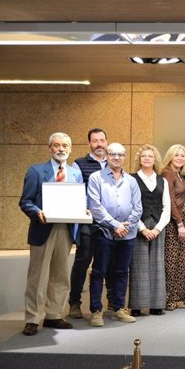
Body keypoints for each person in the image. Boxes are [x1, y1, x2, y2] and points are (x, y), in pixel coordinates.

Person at [19, 132, 83, 336]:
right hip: (43, 228)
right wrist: (37, 212)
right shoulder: (36, 171)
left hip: (66, 229)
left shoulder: (75, 173)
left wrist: (84, 210)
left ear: (70, 149)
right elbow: (25, 201)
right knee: (38, 276)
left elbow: (79, 200)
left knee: (61, 275)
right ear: (50, 148)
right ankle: (32, 318)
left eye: (65, 145)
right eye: (56, 145)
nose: (61, 149)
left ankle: (54, 315)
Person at [87, 142, 142, 327]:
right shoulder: (96, 178)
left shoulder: (132, 181)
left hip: (127, 234)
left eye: (120, 154)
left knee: (121, 271)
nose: (116, 157)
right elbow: (95, 206)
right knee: (99, 272)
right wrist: (115, 225)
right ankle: (96, 311)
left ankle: (119, 307)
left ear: (125, 156)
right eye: (112, 154)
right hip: (104, 232)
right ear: (107, 155)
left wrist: (125, 226)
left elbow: (138, 207)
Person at [68, 127, 107, 319]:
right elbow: (74, 191)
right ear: (89, 143)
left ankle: (107, 306)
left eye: (102, 140)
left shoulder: (113, 164)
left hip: (108, 224)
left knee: (106, 264)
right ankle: (74, 303)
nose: (99, 144)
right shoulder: (79, 164)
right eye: (95, 141)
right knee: (82, 262)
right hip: (88, 223)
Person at [128, 144, 170, 317]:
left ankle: (156, 305)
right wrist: (142, 228)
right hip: (139, 226)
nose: (147, 158)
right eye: (144, 156)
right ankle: (137, 305)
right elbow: (130, 206)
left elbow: (167, 206)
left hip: (158, 225)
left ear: (155, 160)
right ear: (139, 159)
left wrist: (159, 228)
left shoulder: (162, 180)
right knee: (139, 265)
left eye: (150, 156)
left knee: (157, 265)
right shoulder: (132, 179)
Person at [161, 144, 185, 311]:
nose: (179, 158)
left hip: (183, 219)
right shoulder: (166, 173)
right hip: (173, 221)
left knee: (181, 260)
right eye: (176, 155)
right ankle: (168, 298)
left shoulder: (179, 174)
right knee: (171, 261)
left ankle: (179, 297)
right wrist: (179, 223)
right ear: (170, 156)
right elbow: (170, 201)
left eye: (182, 155)